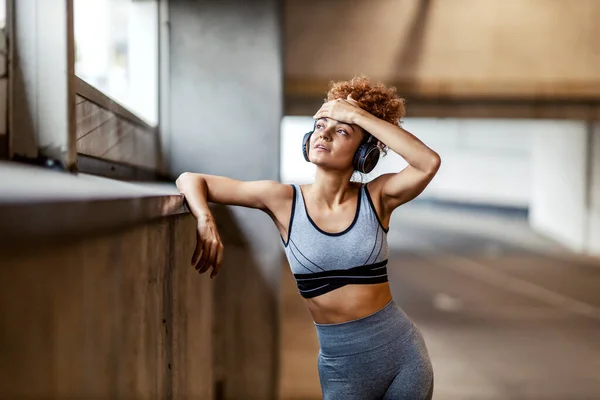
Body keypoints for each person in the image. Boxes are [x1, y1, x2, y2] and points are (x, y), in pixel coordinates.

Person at [176, 76, 440, 399]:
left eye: (341, 130)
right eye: (320, 125)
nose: (324, 134)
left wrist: (357, 115)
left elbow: (428, 163)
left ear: (363, 153)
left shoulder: (378, 196)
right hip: (341, 372)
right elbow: (190, 179)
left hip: (403, 359)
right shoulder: (283, 201)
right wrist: (205, 218)